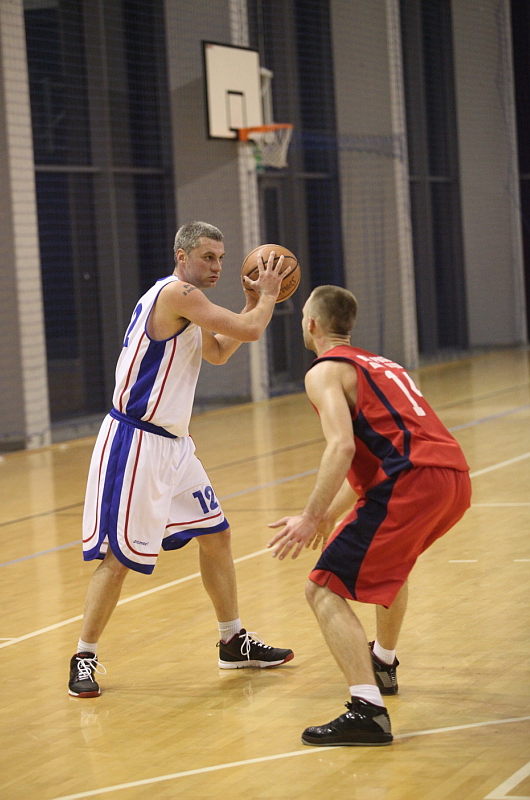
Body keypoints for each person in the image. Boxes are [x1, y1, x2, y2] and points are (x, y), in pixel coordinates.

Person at [69, 221, 294, 698]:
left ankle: (232, 641)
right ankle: (83, 656)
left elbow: (219, 351)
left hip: (175, 445)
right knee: (118, 559)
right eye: (209, 257)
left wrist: (253, 303)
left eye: (221, 258)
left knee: (217, 535)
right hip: (135, 443)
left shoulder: (189, 306)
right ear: (182, 256)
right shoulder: (177, 294)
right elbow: (252, 331)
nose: (218, 267)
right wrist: (268, 296)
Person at [268, 285, 471, 746]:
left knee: (321, 588)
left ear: (311, 324)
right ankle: (382, 662)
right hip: (453, 478)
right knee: (393, 567)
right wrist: (328, 515)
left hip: (412, 481)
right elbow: (375, 459)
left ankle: (367, 710)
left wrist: (309, 516)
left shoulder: (324, 371)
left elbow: (341, 447)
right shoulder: (383, 365)